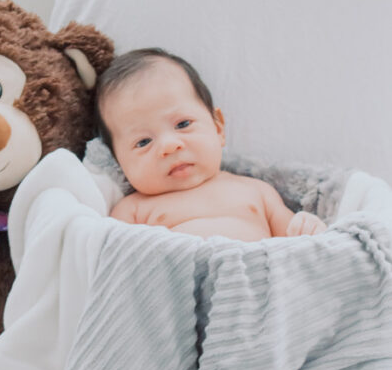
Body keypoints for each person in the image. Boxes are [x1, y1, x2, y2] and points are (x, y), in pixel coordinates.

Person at [96, 48, 327, 241]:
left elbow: (296, 246)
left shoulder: (256, 190)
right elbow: (118, 265)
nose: (169, 146)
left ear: (217, 128)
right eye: (143, 141)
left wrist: (308, 228)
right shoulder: (133, 210)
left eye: (183, 124)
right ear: (118, 160)